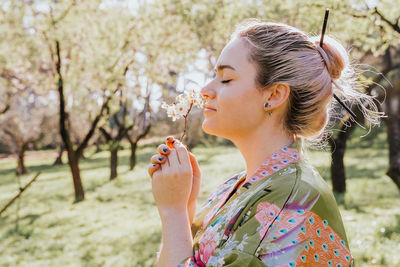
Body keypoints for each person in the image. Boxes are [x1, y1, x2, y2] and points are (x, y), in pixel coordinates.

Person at [148, 19, 380, 267]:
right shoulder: (236, 186)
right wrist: (185, 207)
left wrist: (172, 212)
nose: (205, 89)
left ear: (274, 95)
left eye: (226, 79)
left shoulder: (294, 202)